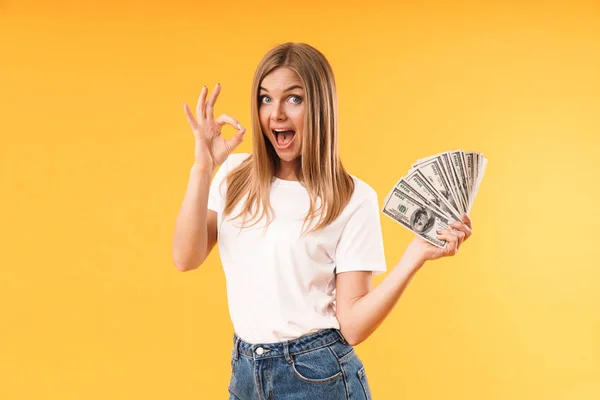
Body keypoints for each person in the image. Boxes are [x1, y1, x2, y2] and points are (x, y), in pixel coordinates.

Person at [172, 42, 473, 400]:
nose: (277, 114)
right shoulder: (234, 175)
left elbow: (353, 326)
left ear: (320, 107)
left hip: (317, 379)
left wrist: (413, 258)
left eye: (294, 99)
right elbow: (185, 258)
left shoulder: (351, 197)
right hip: (245, 375)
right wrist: (203, 168)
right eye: (266, 99)